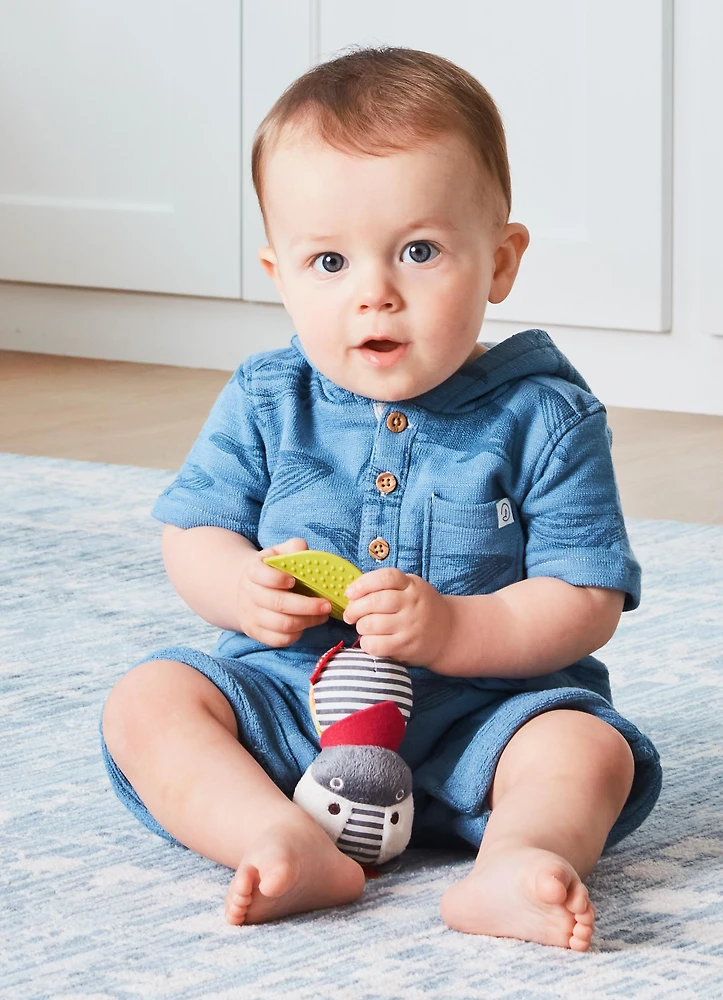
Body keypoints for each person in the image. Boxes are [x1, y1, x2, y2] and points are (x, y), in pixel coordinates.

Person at [100, 46, 662, 951]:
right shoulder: (265, 397)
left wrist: (457, 633)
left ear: (500, 262)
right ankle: (275, 836)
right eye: (329, 261)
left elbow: (584, 599)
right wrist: (240, 587)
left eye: (420, 251)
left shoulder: (546, 416)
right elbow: (196, 529)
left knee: (585, 750)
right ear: (279, 274)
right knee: (149, 699)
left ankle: (516, 861)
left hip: (483, 719)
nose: (375, 295)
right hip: (290, 710)